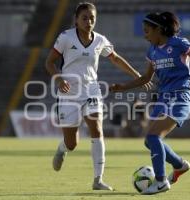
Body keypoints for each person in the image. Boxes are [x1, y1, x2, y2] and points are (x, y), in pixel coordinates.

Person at [45, 2, 149, 191]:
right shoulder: (66, 38)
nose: (89, 21)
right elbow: (49, 63)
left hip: (92, 91)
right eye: (84, 17)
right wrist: (59, 79)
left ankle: (98, 180)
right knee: (72, 143)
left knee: (97, 129)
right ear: (76, 20)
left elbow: (115, 58)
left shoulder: (100, 40)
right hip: (69, 93)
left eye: (92, 18)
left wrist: (137, 75)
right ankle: (62, 149)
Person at [110, 12, 190, 195]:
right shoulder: (152, 51)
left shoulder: (179, 44)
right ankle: (179, 165)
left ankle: (161, 181)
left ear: (159, 29)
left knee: (154, 137)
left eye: (147, 31)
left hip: (180, 97)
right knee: (150, 141)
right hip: (163, 99)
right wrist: (123, 87)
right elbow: (146, 78)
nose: (145, 35)